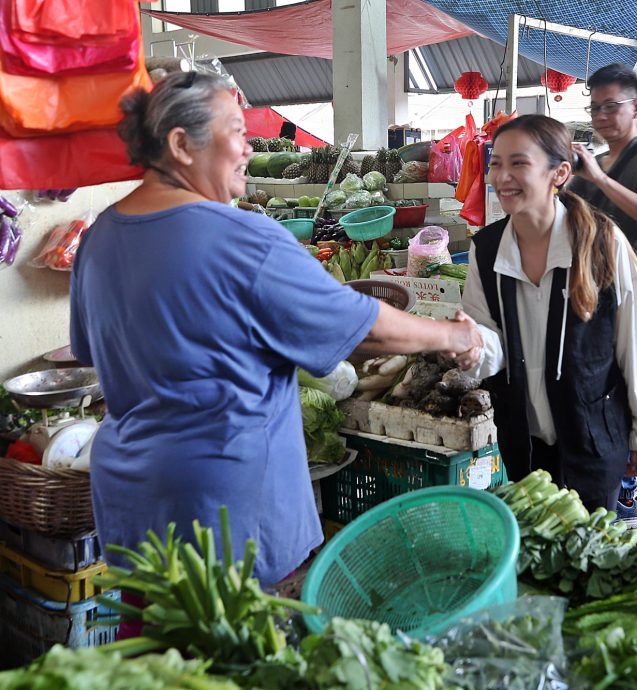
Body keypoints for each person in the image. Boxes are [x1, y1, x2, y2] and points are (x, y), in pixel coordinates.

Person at [69, 71, 483, 597]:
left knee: (160, 656)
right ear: (180, 144)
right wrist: (450, 337)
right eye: (236, 131)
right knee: (246, 659)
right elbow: (362, 328)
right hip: (228, 511)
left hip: (133, 502)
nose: (247, 148)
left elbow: (94, 354)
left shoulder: (99, 238)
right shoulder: (243, 237)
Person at [461, 114, 637, 513]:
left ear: (560, 173)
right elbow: (487, 335)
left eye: (519, 163)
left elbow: (634, 343)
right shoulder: (485, 249)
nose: (502, 176)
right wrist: (468, 348)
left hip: (594, 435)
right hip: (524, 440)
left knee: (592, 553)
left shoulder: (602, 242)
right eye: (496, 163)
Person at [567, 62, 637, 527]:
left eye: (612, 106)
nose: (603, 116)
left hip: (630, 300)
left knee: (627, 395)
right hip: (584, 297)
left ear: (635, 107)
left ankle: (626, 495)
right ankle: (598, 485)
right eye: (595, 108)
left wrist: (600, 180)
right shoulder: (589, 163)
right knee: (592, 395)